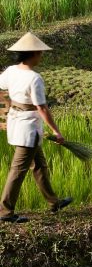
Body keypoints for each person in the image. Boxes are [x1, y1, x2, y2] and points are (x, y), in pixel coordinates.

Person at [0, 32, 72, 223]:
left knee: (39, 165)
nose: (41, 56)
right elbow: (41, 107)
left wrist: (6, 110)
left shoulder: (11, 71)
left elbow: (2, 88)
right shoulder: (34, 78)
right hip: (28, 129)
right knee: (18, 170)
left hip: (17, 122)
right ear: (32, 54)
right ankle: (5, 212)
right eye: (40, 53)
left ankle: (54, 202)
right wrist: (57, 131)